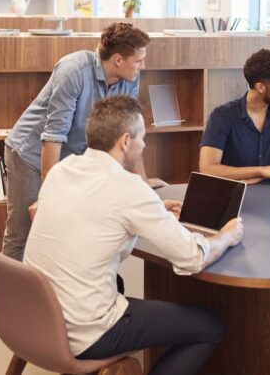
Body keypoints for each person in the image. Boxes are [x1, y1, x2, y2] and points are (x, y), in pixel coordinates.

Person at [24, 95, 243, 375]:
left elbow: (96, 211)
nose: (144, 145)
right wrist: (226, 236)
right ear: (125, 141)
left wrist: (154, 209)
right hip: (87, 330)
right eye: (142, 137)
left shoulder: (61, 170)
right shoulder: (128, 187)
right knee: (210, 327)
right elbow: (191, 257)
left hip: (40, 319)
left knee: (121, 286)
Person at [3, 22, 151, 261]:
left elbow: (130, 133)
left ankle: (47, 284)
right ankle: (9, 286)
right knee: (23, 232)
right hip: (30, 154)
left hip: (70, 158)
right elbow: (53, 137)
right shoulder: (73, 70)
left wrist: (143, 187)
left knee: (65, 230)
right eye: (139, 60)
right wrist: (49, 196)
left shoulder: (130, 78)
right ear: (118, 60)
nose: (143, 65)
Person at [199, 48, 270, 183]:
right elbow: (207, 169)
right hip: (234, 191)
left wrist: (264, 175)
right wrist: (261, 171)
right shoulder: (222, 116)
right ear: (260, 87)